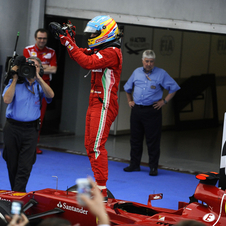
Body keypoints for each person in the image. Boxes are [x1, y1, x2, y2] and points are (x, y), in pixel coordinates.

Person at [59, 15, 123, 200]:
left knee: (96, 146)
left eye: (95, 33)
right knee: (89, 145)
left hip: (105, 103)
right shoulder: (101, 48)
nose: (92, 36)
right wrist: (67, 39)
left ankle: (102, 190)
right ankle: (98, 185)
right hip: (95, 102)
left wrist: (67, 42)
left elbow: (87, 62)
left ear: (106, 32)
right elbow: (78, 53)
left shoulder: (112, 52)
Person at [123, 50, 180, 176]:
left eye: (151, 61)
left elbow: (174, 88)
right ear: (142, 61)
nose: (149, 64)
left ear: (154, 62)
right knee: (135, 139)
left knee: (153, 141)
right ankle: (134, 164)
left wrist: (164, 101)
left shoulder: (161, 73)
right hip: (137, 110)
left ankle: (153, 167)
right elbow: (127, 88)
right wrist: (129, 101)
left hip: (152, 110)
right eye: (147, 61)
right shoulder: (136, 72)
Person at [2, 56, 54, 192]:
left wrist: (38, 77)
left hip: (31, 130)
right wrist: (14, 78)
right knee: (12, 164)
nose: (31, 67)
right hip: (12, 128)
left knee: (25, 166)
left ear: (40, 69)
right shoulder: (15, 82)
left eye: (35, 65)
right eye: (29, 65)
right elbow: (7, 99)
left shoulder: (39, 85)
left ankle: (18, 196)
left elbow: (51, 95)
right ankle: (17, 193)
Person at [23, 28, 57, 154]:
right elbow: (27, 69)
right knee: (25, 114)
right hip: (29, 85)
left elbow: (54, 70)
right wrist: (45, 67)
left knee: (40, 118)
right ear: (35, 38)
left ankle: (34, 145)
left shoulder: (52, 52)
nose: (42, 40)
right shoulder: (28, 50)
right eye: (40, 38)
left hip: (44, 86)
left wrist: (38, 67)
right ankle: (24, 143)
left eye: (44, 38)